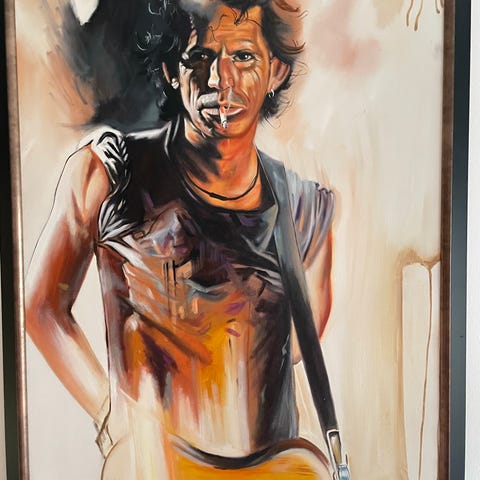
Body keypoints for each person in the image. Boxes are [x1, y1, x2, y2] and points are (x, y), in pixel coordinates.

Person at [26, 1, 336, 478]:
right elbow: (41, 306)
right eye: (199, 57)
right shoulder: (109, 173)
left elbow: (293, 349)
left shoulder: (305, 209)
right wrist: (113, 418)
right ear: (171, 70)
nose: (221, 81)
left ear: (275, 71)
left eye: (243, 57)